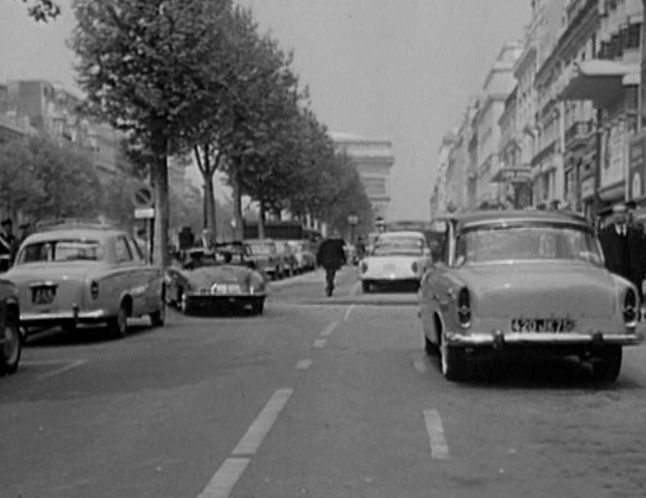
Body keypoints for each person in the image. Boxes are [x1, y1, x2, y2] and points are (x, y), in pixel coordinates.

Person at [598, 203, 646, 304]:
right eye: (616, 213)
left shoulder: (637, 234)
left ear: (627, 215)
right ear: (613, 215)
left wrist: (641, 274)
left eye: (622, 213)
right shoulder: (604, 235)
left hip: (633, 281)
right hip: (613, 279)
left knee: (632, 309)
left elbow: (642, 256)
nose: (619, 215)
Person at [316, 231, 347, 297]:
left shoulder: (324, 244)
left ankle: (329, 284)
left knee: (328, 273)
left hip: (326, 261)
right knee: (332, 273)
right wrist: (344, 260)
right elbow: (342, 253)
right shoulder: (338, 245)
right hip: (334, 261)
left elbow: (319, 253)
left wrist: (318, 262)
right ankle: (330, 284)